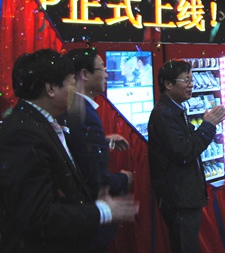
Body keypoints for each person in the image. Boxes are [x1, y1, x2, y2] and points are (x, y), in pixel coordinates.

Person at [0, 49, 138, 253]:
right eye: (72, 83)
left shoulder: (35, 122)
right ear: (51, 88)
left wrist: (102, 142)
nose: (75, 92)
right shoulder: (23, 134)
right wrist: (103, 211)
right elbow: (38, 215)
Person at [148, 59, 225, 253]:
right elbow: (184, 152)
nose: (191, 84)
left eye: (192, 79)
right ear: (168, 84)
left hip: (185, 196)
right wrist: (208, 126)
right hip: (179, 199)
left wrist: (206, 124)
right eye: (186, 80)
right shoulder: (164, 114)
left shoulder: (175, 109)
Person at [60, 48, 134, 253]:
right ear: (84, 74)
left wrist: (102, 141)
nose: (107, 74)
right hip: (87, 223)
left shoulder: (70, 107)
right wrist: (123, 179)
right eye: (102, 68)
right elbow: (92, 177)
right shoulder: (82, 112)